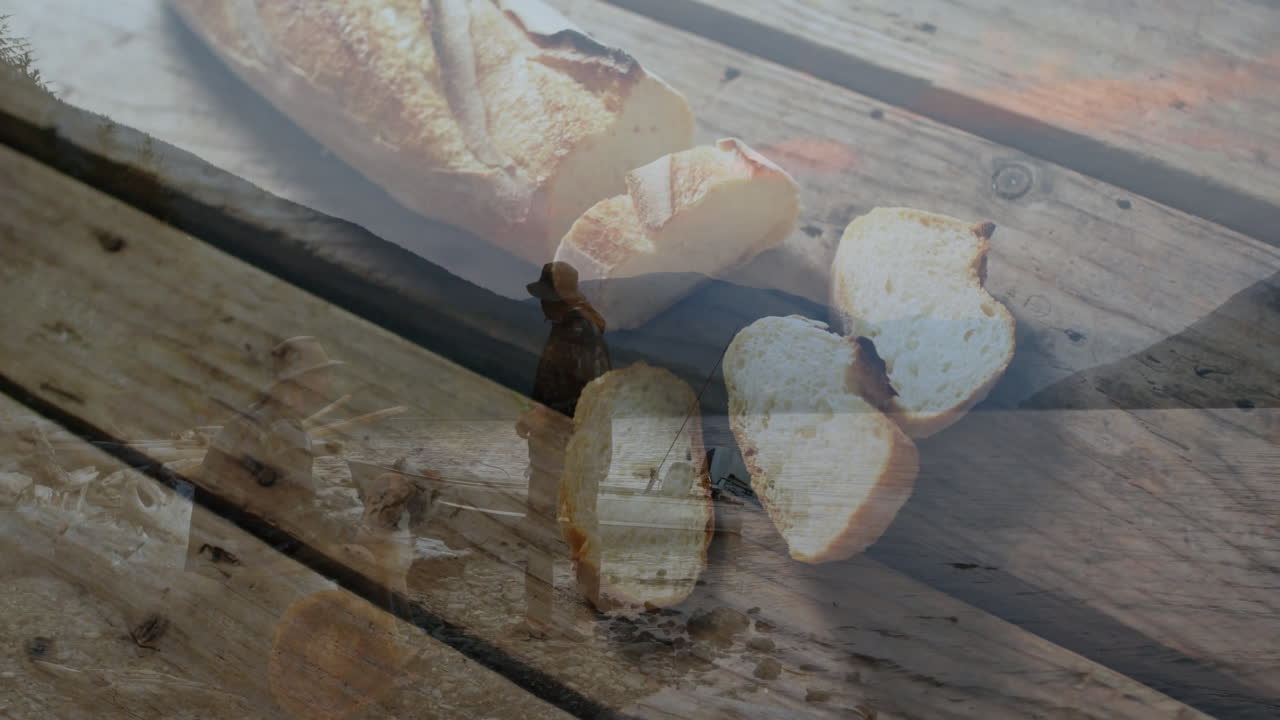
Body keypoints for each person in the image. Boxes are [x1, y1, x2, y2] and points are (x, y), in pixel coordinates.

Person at [515, 262, 612, 635]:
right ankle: (584, 620)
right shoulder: (588, 332)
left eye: (546, 299)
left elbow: (571, 401)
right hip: (585, 451)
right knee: (582, 532)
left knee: (540, 532)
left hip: (560, 448)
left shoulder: (573, 335)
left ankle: (538, 619)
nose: (542, 306)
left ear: (559, 301)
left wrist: (536, 418)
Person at [195, 337, 344, 507]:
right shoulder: (287, 430)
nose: (329, 382)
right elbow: (296, 504)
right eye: (322, 374)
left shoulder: (254, 414)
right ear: (302, 379)